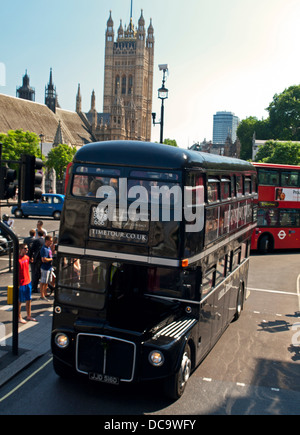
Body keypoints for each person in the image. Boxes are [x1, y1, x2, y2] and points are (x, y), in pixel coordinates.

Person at [18, 244, 36, 324]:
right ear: (21, 249)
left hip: (28, 282)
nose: (27, 250)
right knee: (19, 301)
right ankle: (19, 317)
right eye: (25, 248)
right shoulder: (18, 260)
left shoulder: (27, 258)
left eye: (27, 248)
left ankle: (29, 315)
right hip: (21, 283)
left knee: (29, 300)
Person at [40, 235, 53, 301]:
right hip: (45, 268)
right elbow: (43, 259)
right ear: (47, 241)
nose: (51, 242)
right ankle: (42, 295)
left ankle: (45, 293)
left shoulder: (48, 248)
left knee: (47, 282)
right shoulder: (44, 249)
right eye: (50, 241)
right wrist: (51, 259)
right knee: (43, 282)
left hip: (49, 267)